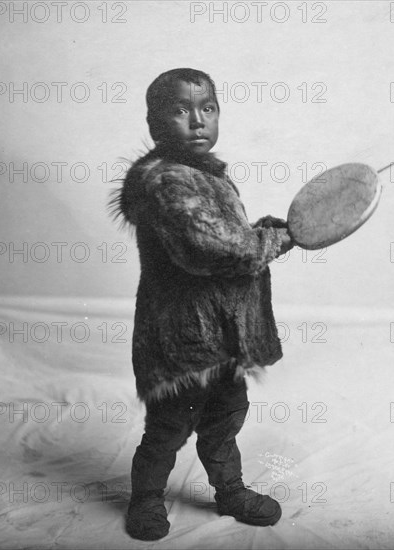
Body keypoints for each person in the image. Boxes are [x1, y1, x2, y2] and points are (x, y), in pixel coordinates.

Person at [109, 68, 293, 541]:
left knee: (225, 419)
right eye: (181, 110)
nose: (197, 121)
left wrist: (267, 231)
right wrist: (278, 238)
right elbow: (214, 248)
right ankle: (147, 498)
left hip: (225, 334)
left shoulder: (207, 176)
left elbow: (233, 238)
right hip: (181, 340)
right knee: (169, 427)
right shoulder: (165, 181)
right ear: (154, 124)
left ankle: (229, 491)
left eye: (207, 108)